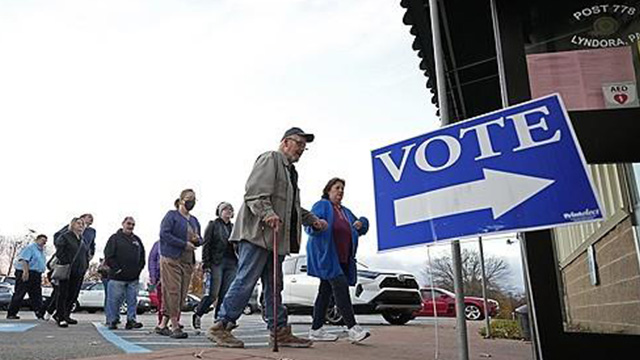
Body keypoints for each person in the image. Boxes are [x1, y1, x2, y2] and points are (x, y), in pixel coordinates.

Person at [207, 127, 328, 348]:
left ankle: (279, 330)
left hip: (275, 239)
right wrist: (268, 213)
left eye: (304, 146)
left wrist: (312, 220)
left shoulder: (290, 172)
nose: (301, 149)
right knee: (246, 280)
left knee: (275, 286)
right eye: (298, 143)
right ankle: (221, 326)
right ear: (284, 142)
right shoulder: (271, 158)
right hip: (257, 235)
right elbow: (254, 193)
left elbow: (292, 208)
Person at [306, 177, 371, 343]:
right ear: (328, 191)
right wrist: (316, 224)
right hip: (326, 256)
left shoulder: (345, 212)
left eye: (342, 188)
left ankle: (316, 330)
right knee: (340, 287)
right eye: (337, 188)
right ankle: (353, 328)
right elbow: (310, 224)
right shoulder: (322, 205)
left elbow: (361, 226)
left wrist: (361, 223)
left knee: (325, 293)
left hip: (343, 258)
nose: (340, 191)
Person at [156, 189, 202, 339]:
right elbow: (164, 234)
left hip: (187, 260)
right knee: (172, 291)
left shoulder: (194, 220)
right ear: (181, 200)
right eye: (189, 198)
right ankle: (175, 325)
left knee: (181, 293)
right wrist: (183, 244)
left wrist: (197, 241)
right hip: (171, 258)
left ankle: (162, 325)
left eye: (194, 199)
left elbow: (199, 238)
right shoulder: (172, 216)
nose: (192, 201)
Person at [192, 202, 237, 329]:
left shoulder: (234, 227)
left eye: (231, 209)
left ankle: (219, 322)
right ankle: (198, 313)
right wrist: (206, 263)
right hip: (216, 262)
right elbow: (206, 244)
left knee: (225, 294)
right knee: (213, 294)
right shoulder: (213, 225)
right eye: (225, 209)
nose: (228, 211)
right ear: (219, 211)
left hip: (232, 263)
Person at [104, 217, 146, 330]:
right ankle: (113, 320)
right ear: (123, 224)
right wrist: (117, 269)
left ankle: (131, 320)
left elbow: (142, 256)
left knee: (132, 300)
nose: (130, 226)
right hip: (117, 278)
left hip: (133, 278)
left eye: (133, 224)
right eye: (128, 223)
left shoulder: (137, 240)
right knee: (114, 301)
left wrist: (138, 269)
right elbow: (108, 255)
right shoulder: (114, 238)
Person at [53, 217, 89, 327]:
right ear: (72, 224)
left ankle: (66, 314)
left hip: (79, 271)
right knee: (63, 293)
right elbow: (60, 251)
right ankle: (61, 317)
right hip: (67, 269)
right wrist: (66, 262)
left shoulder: (82, 239)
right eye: (78, 223)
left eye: (82, 224)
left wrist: (85, 266)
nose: (81, 225)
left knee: (73, 294)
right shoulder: (65, 236)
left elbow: (85, 254)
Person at [6, 234, 48, 320]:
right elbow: (24, 260)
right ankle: (12, 313)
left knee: (36, 294)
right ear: (37, 239)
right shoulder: (30, 248)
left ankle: (39, 312)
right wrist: (25, 272)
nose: (44, 242)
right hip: (27, 271)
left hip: (36, 274)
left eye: (45, 241)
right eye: (42, 240)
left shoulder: (41, 251)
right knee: (20, 293)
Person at [148, 240, 164, 328]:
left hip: (175, 274)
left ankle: (175, 321)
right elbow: (152, 260)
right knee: (162, 300)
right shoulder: (158, 244)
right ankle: (162, 322)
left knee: (176, 299)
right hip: (160, 276)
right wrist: (153, 276)